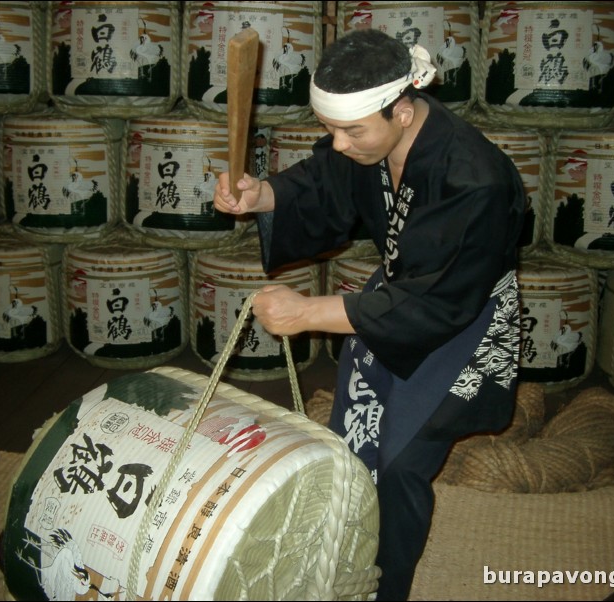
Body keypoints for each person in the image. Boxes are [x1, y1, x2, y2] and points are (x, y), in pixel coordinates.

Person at [214, 28, 526, 601]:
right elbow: (325, 182)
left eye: (350, 130)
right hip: (394, 300)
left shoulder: (472, 178)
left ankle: (380, 589)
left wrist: (308, 311)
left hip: (466, 320)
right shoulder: (369, 143)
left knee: (401, 462)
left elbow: (435, 303)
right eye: (329, 128)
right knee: (350, 441)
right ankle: (338, 557)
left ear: (403, 110)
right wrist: (261, 196)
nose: (338, 143)